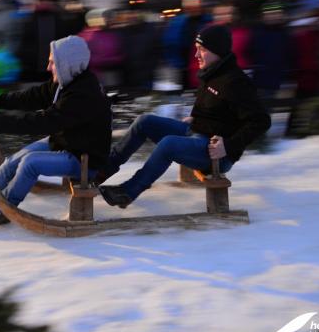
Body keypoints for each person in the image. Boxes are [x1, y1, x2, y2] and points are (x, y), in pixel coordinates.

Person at [97, 25, 271, 208]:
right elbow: (215, 109)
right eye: (197, 49)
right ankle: (102, 170)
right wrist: (196, 118)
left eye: (202, 49)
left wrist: (228, 146)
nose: (196, 55)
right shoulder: (212, 72)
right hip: (196, 133)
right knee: (145, 122)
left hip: (216, 155)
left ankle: (128, 191)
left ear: (217, 51)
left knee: (169, 144)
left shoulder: (236, 82)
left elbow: (261, 121)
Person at [0, 35, 112, 229]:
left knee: (30, 163)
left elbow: (43, 122)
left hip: (83, 159)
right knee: (16, 158)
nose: (48, 67)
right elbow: (34, 96)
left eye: (52, 62)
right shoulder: (68, 79)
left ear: (67, 63)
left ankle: (2, 210)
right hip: (67, 141)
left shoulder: (83, 95)